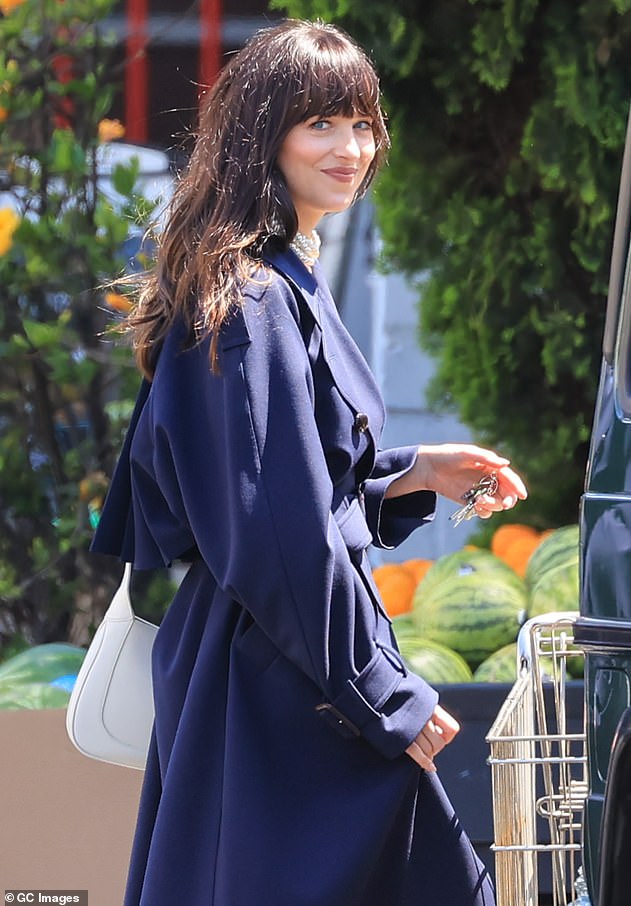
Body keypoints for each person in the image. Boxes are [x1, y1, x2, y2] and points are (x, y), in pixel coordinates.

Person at [93, 18, 527, 906]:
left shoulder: (270, 280)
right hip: (276, 692)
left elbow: (290, 484)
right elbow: (274, 533)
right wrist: (385, 698)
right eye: (320, 122)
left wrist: (410, 471)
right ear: (263, 135)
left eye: (362, 123)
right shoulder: (251, 300)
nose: (351, 147)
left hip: (277, 673)